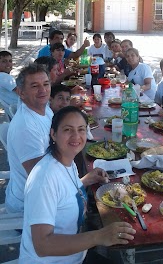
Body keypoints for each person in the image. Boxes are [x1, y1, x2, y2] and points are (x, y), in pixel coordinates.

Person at [19, 106, 136, 263]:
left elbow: (62, 196)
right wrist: (99, 236)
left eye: (81, 129)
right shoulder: (44, 180)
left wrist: (86, 180)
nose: (76, 136)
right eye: (68, 130)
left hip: (75, 255)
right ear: (53, 134)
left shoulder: (66, 160)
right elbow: (42, 245)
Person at [5, 63, 53, 213]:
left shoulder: (44, 109)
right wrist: (82, 182)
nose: (43, 90)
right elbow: (42, 178)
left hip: (42, 195)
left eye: (46, 84)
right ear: (21, 92)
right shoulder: (25, 126)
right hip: (31, 208)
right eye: (34, 86)